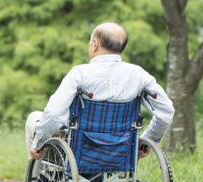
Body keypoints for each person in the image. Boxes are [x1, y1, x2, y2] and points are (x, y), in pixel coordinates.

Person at [25, 22, 175, 162]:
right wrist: (144, 143)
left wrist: (38, 145)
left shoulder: (79, 74)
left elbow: (53, 115)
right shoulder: (139, 75)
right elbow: (166, 111)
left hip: (79, 146)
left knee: (34, 118)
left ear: (95, 45)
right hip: (120, 149)